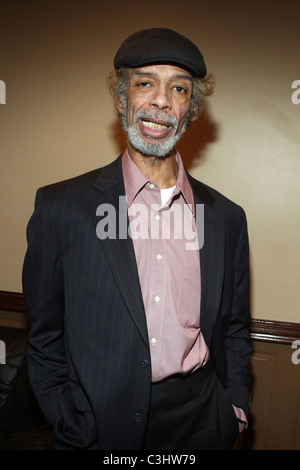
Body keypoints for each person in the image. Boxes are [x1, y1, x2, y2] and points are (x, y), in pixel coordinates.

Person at [22, 28, 252, 450]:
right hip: (98, 422)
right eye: (145, 83)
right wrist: (65, 419)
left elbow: (235, 327)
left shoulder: (227, 219)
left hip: (201, 416)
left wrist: (233, 407)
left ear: (190, 108)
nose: (161, 100)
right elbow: (44, 334)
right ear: (121, 98)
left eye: (178, 88)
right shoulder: (61, 207)